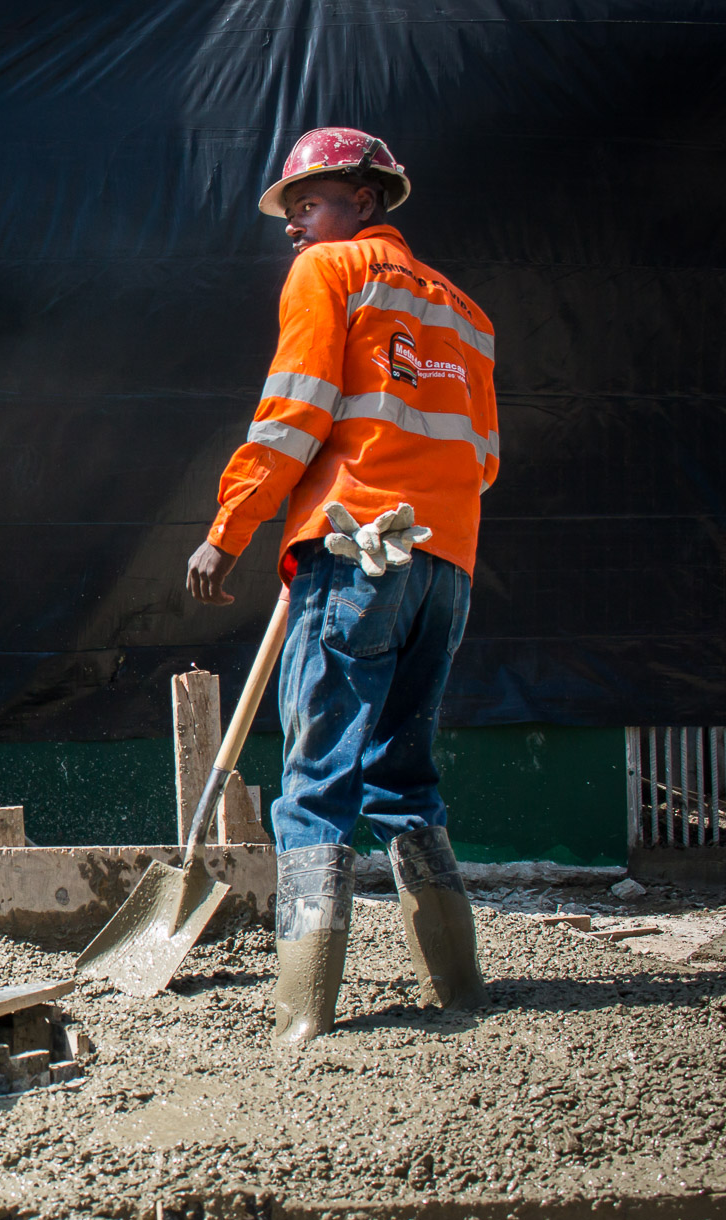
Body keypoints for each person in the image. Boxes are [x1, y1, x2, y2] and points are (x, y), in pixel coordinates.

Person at [184, 128, 497, 1044]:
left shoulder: (332, 273)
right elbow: (481, 459)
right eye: (288, 210)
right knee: (403, 775)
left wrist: (228, 531)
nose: (292, 227)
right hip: (443, 566)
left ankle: (302, 1011)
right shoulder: (468, 314)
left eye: (306, 203)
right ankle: (460, 986)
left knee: (316, 779)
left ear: (364, 198)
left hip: (356, 552)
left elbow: (295, 412)